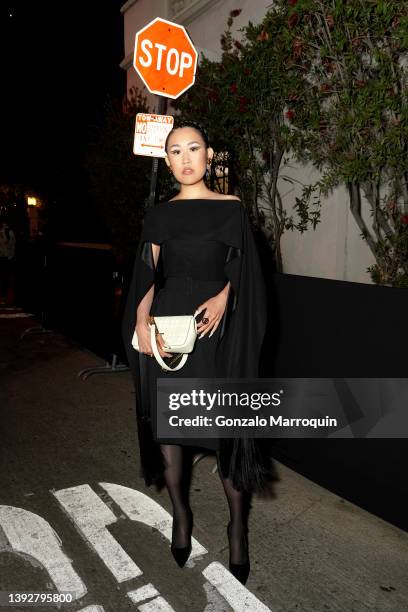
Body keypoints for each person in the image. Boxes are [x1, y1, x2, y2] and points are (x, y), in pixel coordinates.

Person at [122, 121, 275, 585]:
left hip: (216, 329)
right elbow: (147, 274)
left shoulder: (230, 209)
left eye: (194, 148)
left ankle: (237, 528)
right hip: (170, 326)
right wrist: (142, 323)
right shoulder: (159, 214)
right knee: (171, 432)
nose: (185, 157)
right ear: (167, 161)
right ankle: (181, 515)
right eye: (175, 151)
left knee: (225, 428)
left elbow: (245, 269)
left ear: (209, 155)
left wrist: (227, 294)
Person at [0, 216, 16, 304]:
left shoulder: (6, 232)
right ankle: (5, 294)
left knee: (4, 276)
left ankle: (4, 294)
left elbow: (10, 244)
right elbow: (12, 244)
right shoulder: (10, 232)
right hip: (7, 256)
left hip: (4, 256)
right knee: (5, 276)